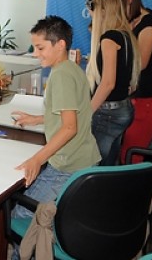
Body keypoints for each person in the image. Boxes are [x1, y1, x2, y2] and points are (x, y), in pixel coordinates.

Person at [9, 16, 101, 246]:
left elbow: (70, 127)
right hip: (84, 158)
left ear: (60, 45)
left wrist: (37, 159)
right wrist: (38, 119)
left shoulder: (60, 75)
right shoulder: (71, 68)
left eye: (40, 48)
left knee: (18, 215)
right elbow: (73, 113)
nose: (35, 54)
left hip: (67, 167)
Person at [109, 0, 152, 163]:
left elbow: (141, 62)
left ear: (129, 0)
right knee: (122, 149)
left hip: (150, 98)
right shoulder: (133, 22)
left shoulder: (150, 23)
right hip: (136, 96)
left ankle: (133, 182)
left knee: (131, 154)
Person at [85, 0, 140, 165]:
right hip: (123, 108)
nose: (91, 15)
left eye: (92, 11)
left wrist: (87, 111)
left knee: (95, 164)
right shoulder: (125, 35)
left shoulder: (109, 39)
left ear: (102, 11)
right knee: (109, 161)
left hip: (108, 112)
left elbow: (108, 83)